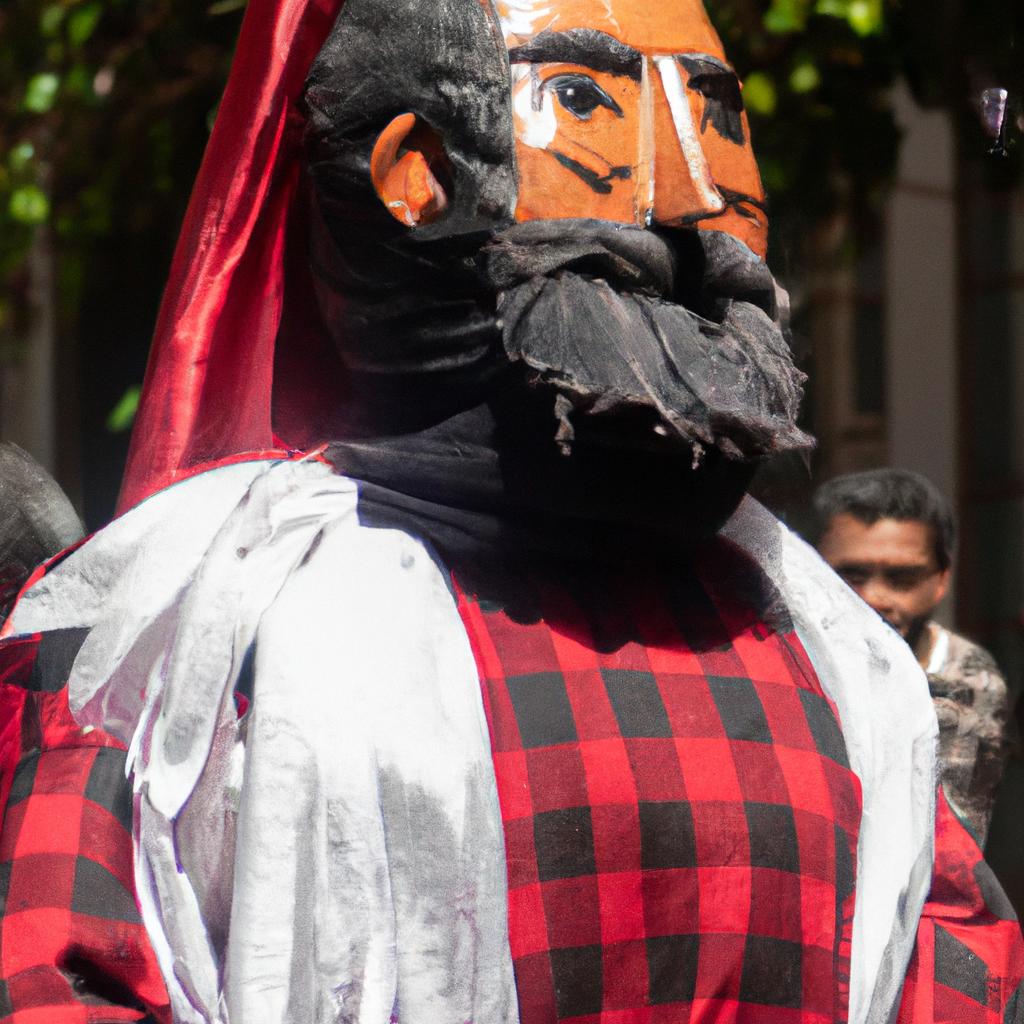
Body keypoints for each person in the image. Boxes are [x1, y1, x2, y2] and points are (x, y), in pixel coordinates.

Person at [0, 1, 1021, 1023]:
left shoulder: (843, 666)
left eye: (713, 114)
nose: (692, 192)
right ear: (415, 172)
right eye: (584, 99)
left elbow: (960, 971)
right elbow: (60, 981)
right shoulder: (166, 649)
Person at [815, 468, 1011, 845]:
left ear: (941, 581)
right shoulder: (779, 659)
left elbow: (947, 847)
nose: (874, 598)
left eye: (903, 578)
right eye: (850, 576)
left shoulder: (967, 681)